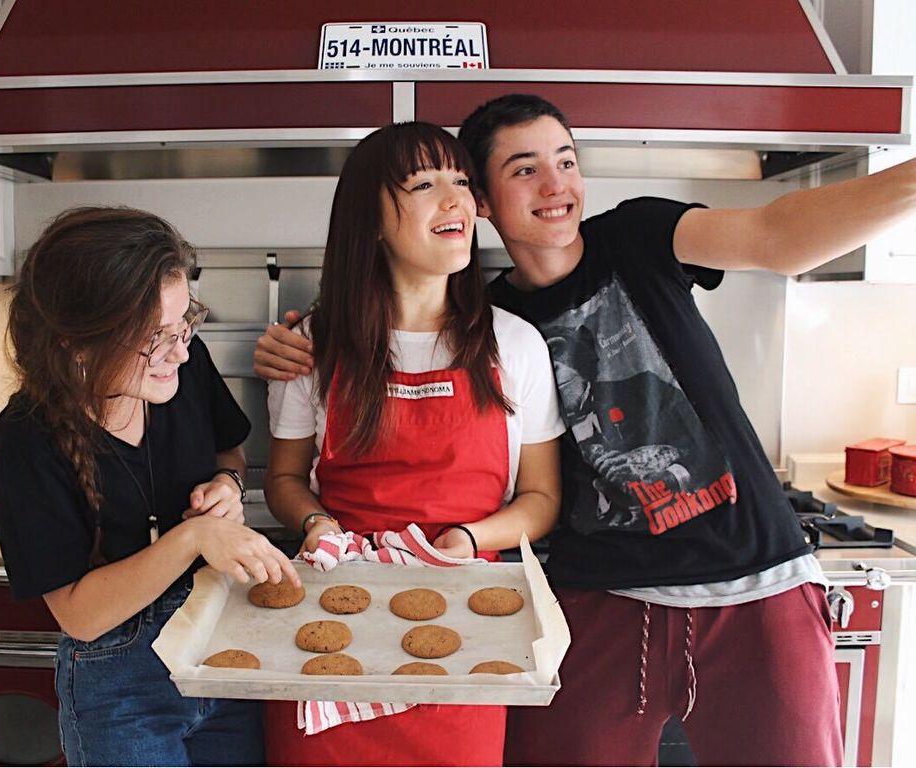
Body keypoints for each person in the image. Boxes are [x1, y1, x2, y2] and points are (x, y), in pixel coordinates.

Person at [254, 94, 916, 767]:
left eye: (566, 162)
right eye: (524, 170)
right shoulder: (490, 322)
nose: (556, 185)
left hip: (753, 580)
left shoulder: (633, 239)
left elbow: (776, 236)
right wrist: (297, 346)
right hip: (600, 598)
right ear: (484, 203)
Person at [261, 121, 563, 767]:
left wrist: (469, 539)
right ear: (370, 219)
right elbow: (283, 479)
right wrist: (315, 524)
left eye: (461, 181)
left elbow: (540, 499)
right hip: (335, 620)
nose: (457, 200)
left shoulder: (515, 345)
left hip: (467, 627)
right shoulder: (312, 344)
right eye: (424, 184)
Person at [0, 206, 300, 767]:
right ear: (77, 342)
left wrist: (228, 484)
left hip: (219, 652)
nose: (180, 350)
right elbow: (80, 616)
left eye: (184, 323)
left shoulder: (184, 367)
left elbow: (229, 452)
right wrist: (194, 538)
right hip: (118, 690)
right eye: (156, 336)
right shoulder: (27, 436)